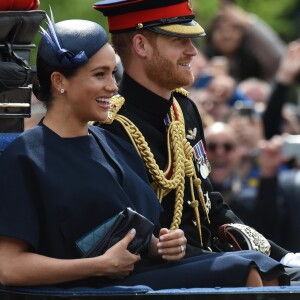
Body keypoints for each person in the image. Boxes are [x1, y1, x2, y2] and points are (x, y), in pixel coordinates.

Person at [0, 13, 286, 289]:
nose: (112, 86)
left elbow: (141, 233)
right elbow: (9, 267)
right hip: (86, 286)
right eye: (99, 75)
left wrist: (163, 245)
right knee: (243, 271)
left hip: (132, 277)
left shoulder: (110, 143)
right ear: (59, 81)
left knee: (267, 268)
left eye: (113, 73)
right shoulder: (26, 155)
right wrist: (98, 265)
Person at [93, 0, 300, 283]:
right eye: (179, 40)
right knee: (252, 272)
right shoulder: (112, 126)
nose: (192, 51)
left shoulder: (183, 109)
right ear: (141, 46)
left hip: (200, 257)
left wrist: (281, 255)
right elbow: (137, 237)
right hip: (148, 270)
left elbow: (208, 203)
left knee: (278, 271)